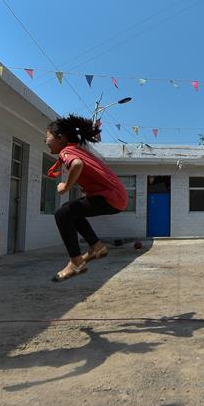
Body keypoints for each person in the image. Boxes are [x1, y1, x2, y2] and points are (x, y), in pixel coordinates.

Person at [45, 114, 128, 282]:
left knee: (62, 214)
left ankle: (76, 262)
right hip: (118, 198)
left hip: (109, 197)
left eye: (47, 138)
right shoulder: (78, 149)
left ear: (60, 138)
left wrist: (66, 186)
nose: (45, 141)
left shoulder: (66, 151)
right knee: (72, 211)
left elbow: (77, 164)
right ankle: (97, 247)